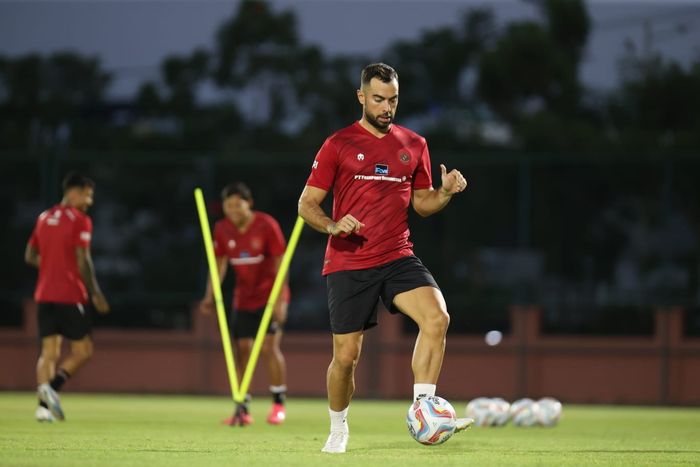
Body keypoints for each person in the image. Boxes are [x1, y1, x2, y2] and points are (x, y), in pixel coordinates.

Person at [297, 63, 471, 453]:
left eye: (392, 99)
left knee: (437, 317)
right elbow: (307, 204)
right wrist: (331, 225)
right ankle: (338, 427)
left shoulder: (414, 144)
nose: (386, 107)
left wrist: (443, 193)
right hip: (349, 261)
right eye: (378, 99)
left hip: (397, 256)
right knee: (346, 358)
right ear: (361, 97)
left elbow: (422, 204)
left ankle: (423, 408)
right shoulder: (337, 143)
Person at [198, 182, 290, 426]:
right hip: (243, 297)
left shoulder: (266, 225)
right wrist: (209, 295)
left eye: (238, 205)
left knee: (269, 347)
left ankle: (278, 404)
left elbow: (282, 262)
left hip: (269, 297)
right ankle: (242, 408)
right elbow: (219, 265)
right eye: (228, 207)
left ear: (248, 203)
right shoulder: (222, 229)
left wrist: (281, 299)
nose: (233, 211)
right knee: (242, 351)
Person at [25, 172, 110, 422]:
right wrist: (96, 293)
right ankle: (52, 387)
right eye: (87, 195)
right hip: (70, 295)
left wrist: (52, 265)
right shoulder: (80, 220)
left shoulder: (43, 218)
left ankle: (42, 408)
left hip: (43, 295)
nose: (89, 201)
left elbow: (30, 256)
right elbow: (84, 260)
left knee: (48, 352)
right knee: (83, 350)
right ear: (73, 192)